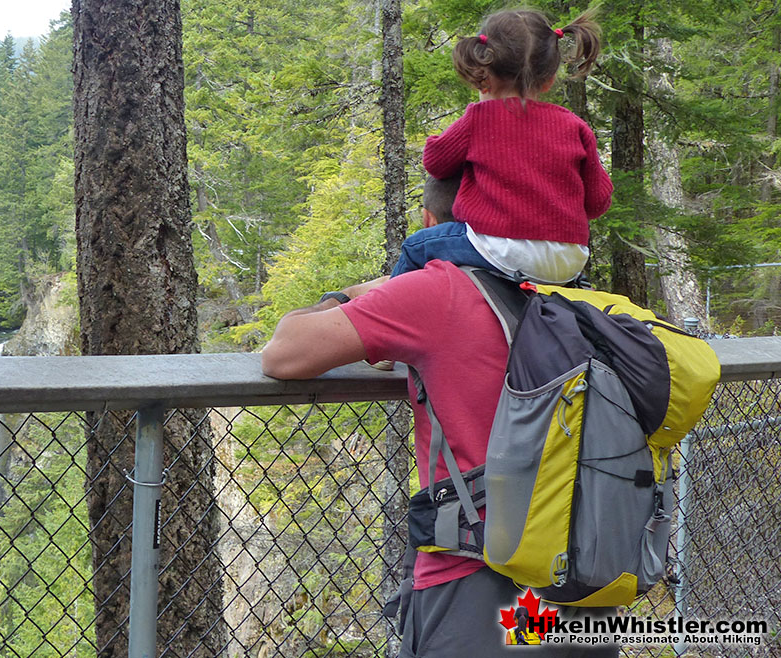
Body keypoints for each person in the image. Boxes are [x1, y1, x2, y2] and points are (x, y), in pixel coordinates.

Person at [261, 178, 618, 657]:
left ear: (432, 222)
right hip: (586, 561)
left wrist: (351, 296)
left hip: (475, 576)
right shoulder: (581, 300)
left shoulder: (438, 291)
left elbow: (285, 353)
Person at [390, 8, 612, 285]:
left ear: (483, 73)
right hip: (570, 258)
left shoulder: (479, 119)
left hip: (501, 250)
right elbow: (598, 202)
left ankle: (390, 322)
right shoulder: (575, 126)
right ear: (550, 79)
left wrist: (473, 115)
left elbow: (435, 163)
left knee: (415, 246)